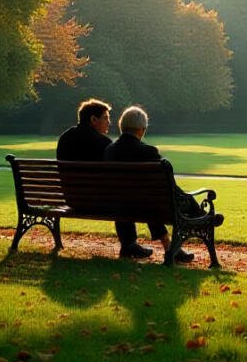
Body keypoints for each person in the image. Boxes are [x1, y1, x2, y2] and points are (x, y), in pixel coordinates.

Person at [104, 105, 223, 264]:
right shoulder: (148, 151)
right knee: (159, 197)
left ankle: (168, 247)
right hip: (148, 206)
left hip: (118, 205)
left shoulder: (109, 151)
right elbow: (166, 186)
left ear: (122, 127)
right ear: (141, 129)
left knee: (149, 196)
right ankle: (202, 217)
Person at [56, 99, 154, 259]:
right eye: (106, 118)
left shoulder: (65, 138)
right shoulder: (103, 143)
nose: (109, 122)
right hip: (97, 202)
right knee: (122, 193)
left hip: (72, 199)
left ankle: (130, 245)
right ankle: (129, 245)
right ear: (93, 120)